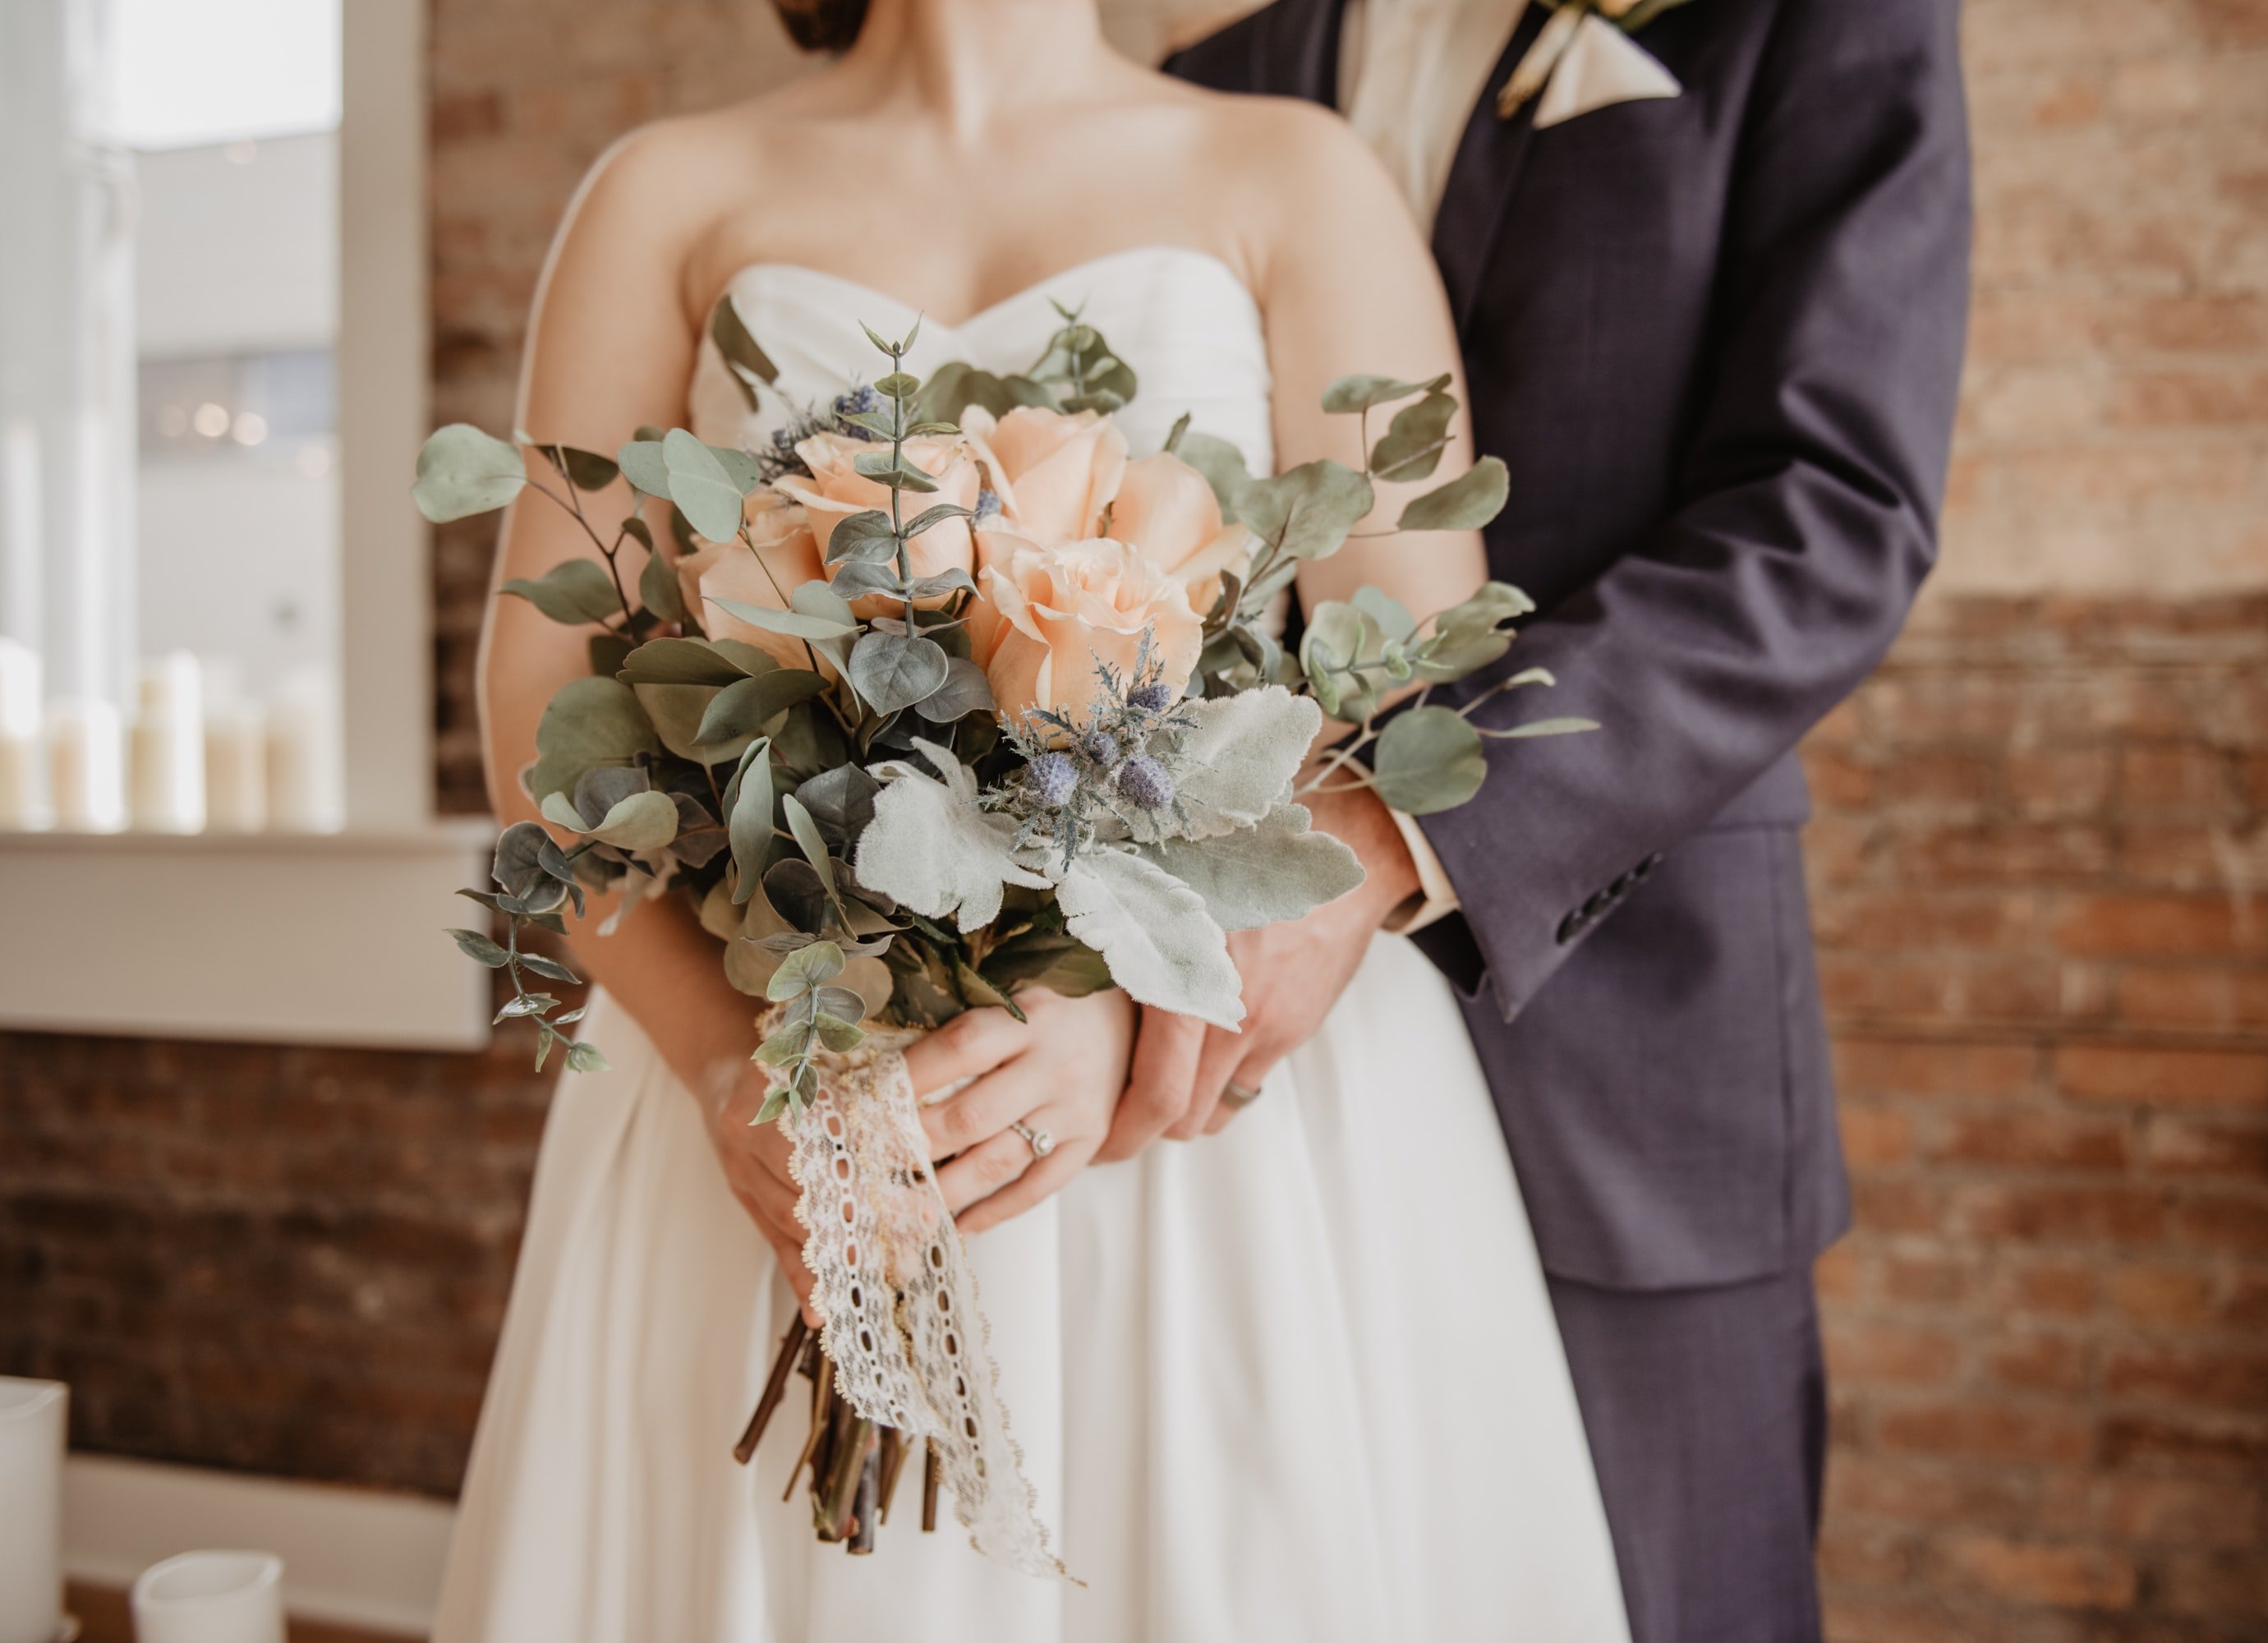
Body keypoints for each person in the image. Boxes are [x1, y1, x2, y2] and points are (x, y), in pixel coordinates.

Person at [432, 0, 1627, 1636]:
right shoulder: (668, 190)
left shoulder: (1291, 174)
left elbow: (1410, 694)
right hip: (791, 1069)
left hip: (1201, 1122)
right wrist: (729, 1060)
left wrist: (1113, 988)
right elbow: (539, 706)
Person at [1137, 1, 1973, 1636]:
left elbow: (1831, 511)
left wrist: (1388, 832)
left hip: (1625, 1038)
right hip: (1230, 1105)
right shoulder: (1210, 75)